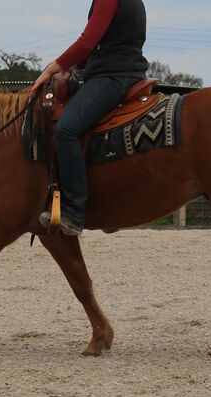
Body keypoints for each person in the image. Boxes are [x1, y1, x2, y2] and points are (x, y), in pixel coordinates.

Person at [31, 0, 149, 235]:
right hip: (126, 72)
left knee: (66, 131)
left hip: (112, 77)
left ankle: (73, 212)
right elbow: (97, 46)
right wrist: (74, 65)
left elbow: (88, 41)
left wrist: (52, 68)